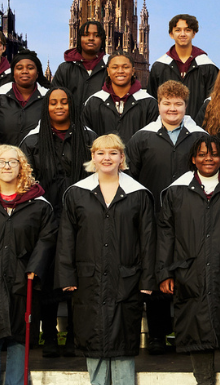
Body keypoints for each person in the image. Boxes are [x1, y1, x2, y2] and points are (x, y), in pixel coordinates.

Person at [158, 136, 220, 385]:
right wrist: (164, 272)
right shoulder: (176, 192)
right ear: (193, 158)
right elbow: (165, 236)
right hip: (189, 275)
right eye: (202, 154)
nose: (208, 158)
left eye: (213, 154)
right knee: (197, 333)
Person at [57, 134, 155, 385]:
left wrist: (147, 278)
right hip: (88, 279)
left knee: (122, 341)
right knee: (93, 339)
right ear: (93, 157)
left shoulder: (138, 194)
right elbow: (67, 237)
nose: (107, 158)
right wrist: (66, 274)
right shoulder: (76, 193)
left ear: (122, 157)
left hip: (126, 279)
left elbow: (147, 239)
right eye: (101, 153)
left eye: (113, 153)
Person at [125, 80, 207, 354]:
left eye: (178, 104)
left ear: (186, 106)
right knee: (158, 273)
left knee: (188, 275)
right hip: (155, 218)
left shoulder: (199, 139)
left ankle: (185, 334)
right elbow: (130, 180)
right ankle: (158, 335)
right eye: (167, 103)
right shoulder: (141, 138)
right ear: (158, 105)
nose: (172, 109)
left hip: (191, 218)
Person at [0, 145, 57, 385]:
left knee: (19, 337)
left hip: (23, 279)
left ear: (21, 167)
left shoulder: (38, 205)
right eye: (1, 162)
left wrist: (33, 268)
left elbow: (46, 238)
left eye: (12, 162)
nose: (6, 166)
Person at [20, 86, 96, 358]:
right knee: (49, 279)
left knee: (80, 279)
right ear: (46, 107)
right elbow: (25, 181)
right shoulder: (32, 141)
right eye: (53, 103)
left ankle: (75, 336)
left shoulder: (88, 138)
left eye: (64, 102)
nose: (59, 107)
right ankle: (50, 334)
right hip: (47, 218)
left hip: (82, 220)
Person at [149, 14, 219, 112]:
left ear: (194, 34)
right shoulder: (159, 67)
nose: (183, 34)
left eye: (187, 30)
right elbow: (152, 103)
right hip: (167, 125)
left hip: (199, 125)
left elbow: (214, 102)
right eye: (178, 30)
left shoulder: (208, 66)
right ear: (171, 34)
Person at [82, 53, 159, 138]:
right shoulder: (94, 102)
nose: (120, 71)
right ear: (108, 71)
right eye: (115, 67)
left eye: (125, 67)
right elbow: (86, 137)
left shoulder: (149, 103)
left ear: (133, 71)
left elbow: (153, 140)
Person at [0, 50, 51, 146]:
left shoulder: (49, 100)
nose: (25, 71)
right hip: (4, 159)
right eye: (19, 68)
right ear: (13, 73)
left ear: (37, 73)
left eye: (30, 68)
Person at [53, 21, 110, 115]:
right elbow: (53, 100)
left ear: (102, 40)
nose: (91, 38)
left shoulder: (112, 68)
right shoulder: (65, 69)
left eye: (96, 35)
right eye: (86, 35)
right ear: (79, 39)